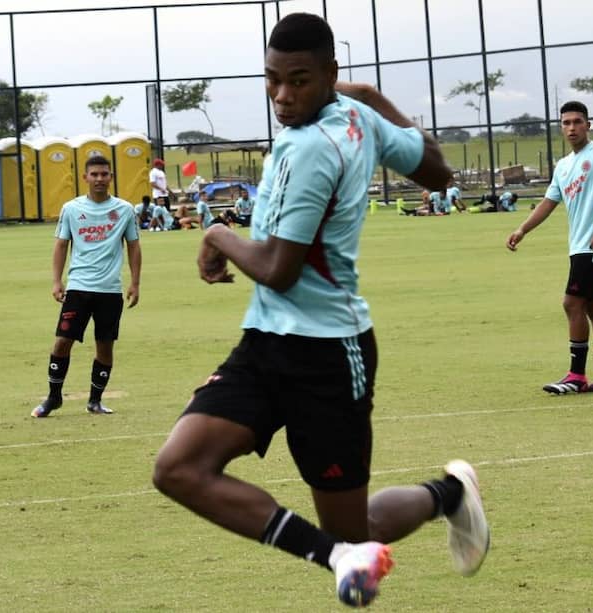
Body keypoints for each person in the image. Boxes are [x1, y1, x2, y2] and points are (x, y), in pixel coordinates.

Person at [151, 13, 489, 610]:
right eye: (273, 80)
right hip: (265, 343)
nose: (283, 96)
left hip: (331, 355)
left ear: (330, 74)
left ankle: (449, 495)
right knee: (177, 468)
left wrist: (217, 232)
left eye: (300, 80)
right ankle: (339, 557)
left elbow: (279, 269)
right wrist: (370, 97)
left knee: (351, 530)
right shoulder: (352, 114)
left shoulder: (318, 144)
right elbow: (437, 168)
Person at [506, 101, 593, 394]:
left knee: (571, 303)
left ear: (588, 124)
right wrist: (523, 229)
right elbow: (549, 203)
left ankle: (576, 375)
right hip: (578, 248)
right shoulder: (563, 166)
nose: (571, 127)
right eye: (566, 123)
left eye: (577, 121)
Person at [31, 155, 141, 417]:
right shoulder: (71, 209)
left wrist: (135, 283)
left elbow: (134, 246)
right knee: (62, 343)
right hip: (78, 288)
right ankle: (53, 398)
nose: (100, 179)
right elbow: (61, 245)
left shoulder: (125, 210)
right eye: (95, 174)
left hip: (110, 290)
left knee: (105, 346)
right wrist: (57, 281)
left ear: (111, 177)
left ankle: (95, 401)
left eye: (104, 174)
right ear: (85, 178)